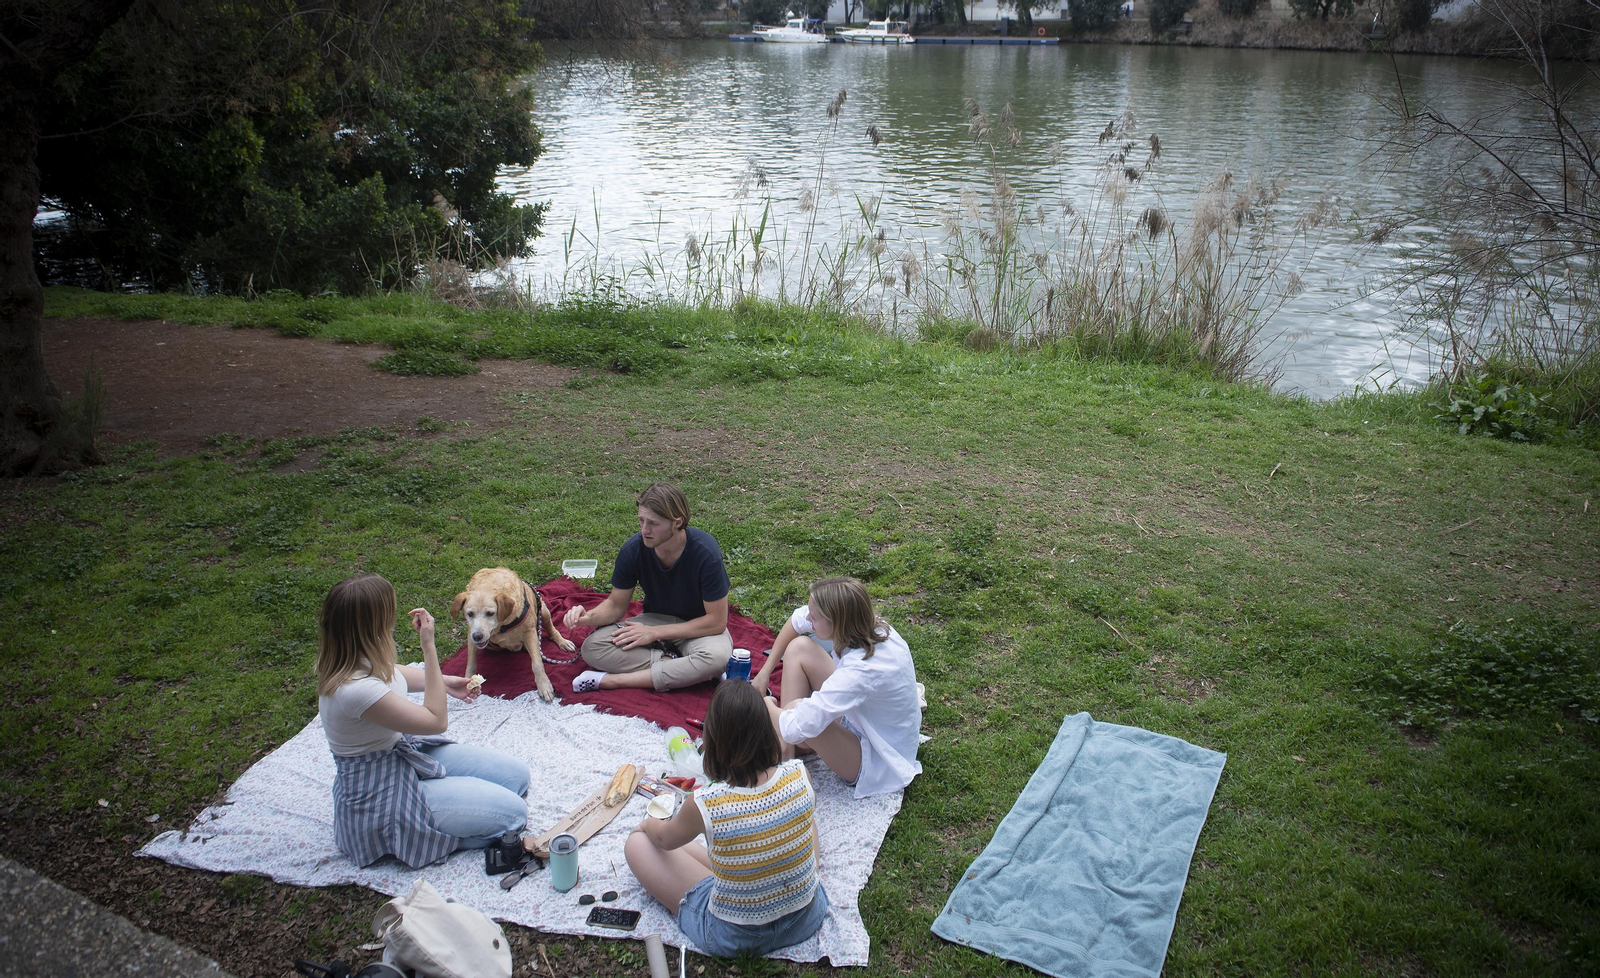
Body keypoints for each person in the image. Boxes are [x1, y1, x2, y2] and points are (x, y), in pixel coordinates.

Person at [316, 573, 530, 868]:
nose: (391, 620)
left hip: (404, 755)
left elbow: (395, 672)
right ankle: (425, 837)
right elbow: (435, 720)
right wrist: (429, 647)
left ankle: (452, 802)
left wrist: (445, 681)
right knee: (514, 814)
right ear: (371, 625)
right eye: (388, 614)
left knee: (517, 778)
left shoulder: (356, 654)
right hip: (381, 790)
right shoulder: (354, 690)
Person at [624, 682, 830, 957]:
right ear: (766, 732)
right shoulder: (798, 774)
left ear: (713, 740)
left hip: (736, 936)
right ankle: (769, 877)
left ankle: (745, 883)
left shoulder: (707, 804)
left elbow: (664, 838)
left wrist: (647, 823)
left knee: (638, 843)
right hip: (805, 916)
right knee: (797, 817)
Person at [749, 576, 922, 799]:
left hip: (879, 759)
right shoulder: (867, 625)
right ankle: (787, 756)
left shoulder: (861, 671)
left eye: (815, 617)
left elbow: (796, 725)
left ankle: (783, 771)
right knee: (799, 647)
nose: (809, 618)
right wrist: (765, 673)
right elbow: (797, 620)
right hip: (864, 720)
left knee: (794, 713)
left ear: (836, 622)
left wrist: (766, 706)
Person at [564, 483, 733, 692]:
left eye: (653, 523)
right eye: (641, 520)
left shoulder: (705, 552)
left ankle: (610, 681)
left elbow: (717, 621)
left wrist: (654, 633)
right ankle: (680, 666)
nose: (644, 530)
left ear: (677, 522)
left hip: (698, 627)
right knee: (593, 648)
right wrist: (586, 617)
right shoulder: (633, 549)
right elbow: (616, 605)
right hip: (655, 619)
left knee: (716, 657)